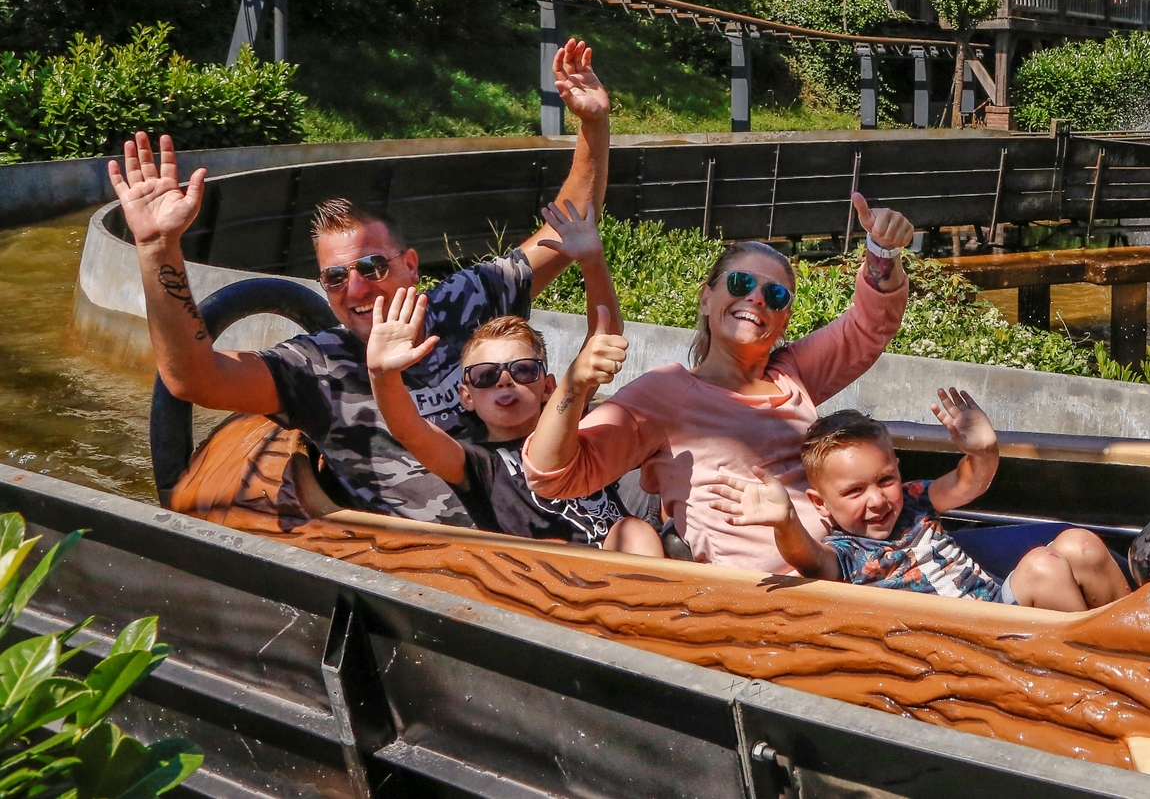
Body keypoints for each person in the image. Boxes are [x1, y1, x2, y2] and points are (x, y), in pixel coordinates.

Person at [110, 39, 611, 525]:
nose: (356, 290)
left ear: (411, 265)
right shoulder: (315, 367)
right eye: (334, 278)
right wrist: (159, 249)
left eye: (372, 268)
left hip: (541, 514)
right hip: (438, 560)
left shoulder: (466, 303)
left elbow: (565, 229)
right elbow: (195, 379)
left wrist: (592, 123)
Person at [523, 193, 914, 573]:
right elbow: (552, 475)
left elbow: (869, 325)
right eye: (742, 283)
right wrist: (574, 385)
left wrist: (881, 250)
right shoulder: (666, 393)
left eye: (775, 295)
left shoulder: (792, 372)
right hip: (764, 597)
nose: (758, 299)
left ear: (784, 320)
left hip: (853, 567)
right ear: (707, 298)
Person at [363, 201, 662, 555]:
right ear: (466, 395)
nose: (505, 382)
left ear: (548, 387)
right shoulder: (477, 465)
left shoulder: (569, 420)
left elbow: (604, 335)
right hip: (553, 579)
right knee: (633, 531)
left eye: (522, 370)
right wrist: (381, 375)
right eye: (486, 376)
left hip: (626, 558)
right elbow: (409, 430)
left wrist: (592, 262)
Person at [711, 394, 1130, 611]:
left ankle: (1140, 644)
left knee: (1080, 543)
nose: (876, 500)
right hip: (968, 641)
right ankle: (1092, 665)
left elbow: (968, 485)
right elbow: (808, 559)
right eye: (854, 492)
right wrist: (784, 522)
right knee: (1043, 567)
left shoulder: (913, 502)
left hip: (995, 603)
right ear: (821, 504)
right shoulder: (846, 553)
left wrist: (984, 452)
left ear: (897, 469)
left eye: (885, 480)